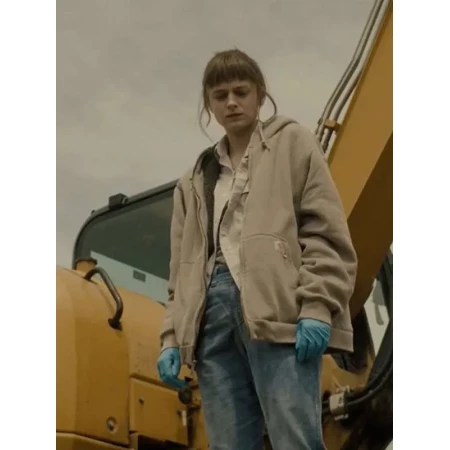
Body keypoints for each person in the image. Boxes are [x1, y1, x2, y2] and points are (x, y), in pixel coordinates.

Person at [157, 48, 357, 450]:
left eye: (240, 92)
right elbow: (181, 272)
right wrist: (170, 339)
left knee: (294, 441)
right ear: (209, 104)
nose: (231, 102)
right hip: (211, 321)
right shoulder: (192, 181)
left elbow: (325, 232)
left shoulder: (293, 144)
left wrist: (317, 306)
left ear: (260, 94)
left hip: (277, 309)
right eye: (220, 95)